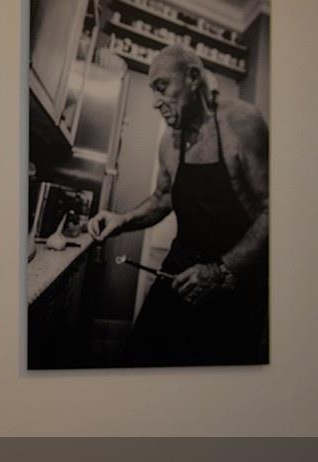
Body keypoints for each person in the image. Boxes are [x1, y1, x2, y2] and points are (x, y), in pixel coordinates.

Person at [87, 44, 268, 364]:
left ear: (193, 78)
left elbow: (273, 208)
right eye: (152, 91)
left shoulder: (242, 122)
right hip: (179, 270)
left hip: (235, 280)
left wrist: (220, 270)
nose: (155, 101)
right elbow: (163, 198)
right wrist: (121, 220)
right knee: (140, 360)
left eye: (162, 87)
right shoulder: (169, 143)